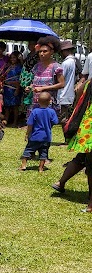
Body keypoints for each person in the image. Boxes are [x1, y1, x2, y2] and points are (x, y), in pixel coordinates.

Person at [51, 78, 92, 211]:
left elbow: (79, 91)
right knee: (88, 162)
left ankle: (61, 182)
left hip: (87, 127)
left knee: (83, 158)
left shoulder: (89, 82)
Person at [27, 35, 65, 119]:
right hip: (35, 102)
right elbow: (34, 82)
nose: (42, 54)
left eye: (45, 51)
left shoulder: (56, 67)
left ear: (51, 52)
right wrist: (30, 87)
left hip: (48, 104)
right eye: (40, 51)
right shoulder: (36, 66)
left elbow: (62, 84)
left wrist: (43, 88)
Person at [20, 92, 59, 172]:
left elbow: (30, 124)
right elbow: (55, 121)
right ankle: (41, 168)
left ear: (38, 101)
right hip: (46, 137)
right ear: (50, 101)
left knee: (28, 150)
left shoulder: (35, 111)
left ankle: (23, 166)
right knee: (43, 153)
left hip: (35, 136)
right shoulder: (51, 112)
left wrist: (27, 134)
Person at [57, 40, 78, 125]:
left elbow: (61, 78)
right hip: (68, 91)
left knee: (63, 115)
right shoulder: (73, 61)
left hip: (63, 91)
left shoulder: (66, 63)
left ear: (65, 51)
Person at [2, 50, 23, 128]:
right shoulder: (8, 66)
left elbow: (20, 79)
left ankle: (15, 122)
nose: (12, 59)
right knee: (7, 106)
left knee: (15, 106)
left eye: (14, 58)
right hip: (7, 89)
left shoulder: (19, 67)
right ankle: (6, 121)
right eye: (11, 58)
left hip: (14, 88)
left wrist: (17, 89)